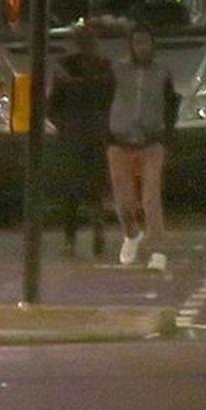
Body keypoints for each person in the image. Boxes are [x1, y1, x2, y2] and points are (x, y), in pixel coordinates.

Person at [109, 24, 178, 271]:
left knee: (151, 197)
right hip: (120, 140)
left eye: (146, 42)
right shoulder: (117, 70)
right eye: (137, 42)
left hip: (151, 140)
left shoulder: (162, 73)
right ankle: (131, 233)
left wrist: (167, 137)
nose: (142, 48)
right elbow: (106, 99)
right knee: (123, 199)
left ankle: (158, 249)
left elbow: (171, 105)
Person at [49, 25, 115, 258]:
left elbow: (52, 106)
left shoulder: (66, 70)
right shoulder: (104, 68)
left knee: (74, 189)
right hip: (93, 133)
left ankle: (73, 238)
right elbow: (110, 101)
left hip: (75, 134)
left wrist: (63, 124)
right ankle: (95, 232)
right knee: (92, 187)